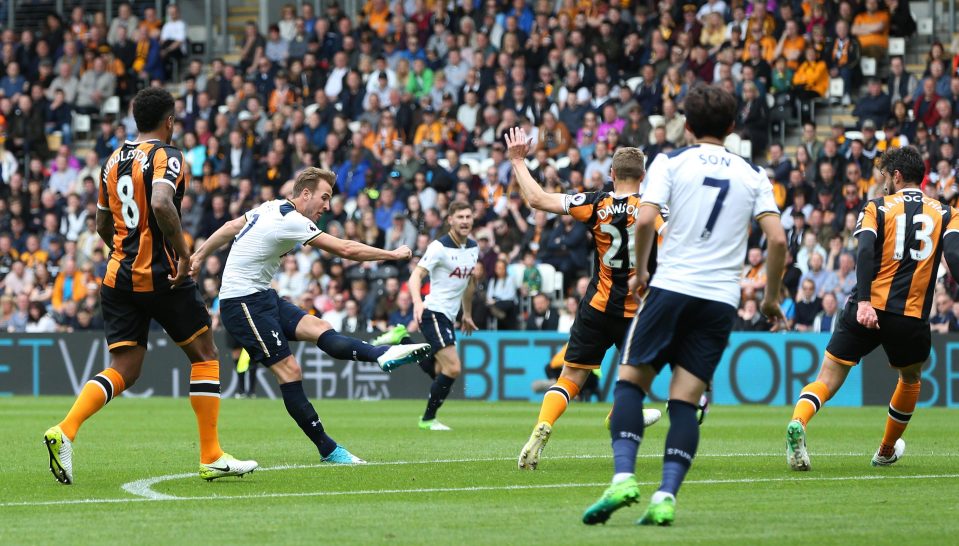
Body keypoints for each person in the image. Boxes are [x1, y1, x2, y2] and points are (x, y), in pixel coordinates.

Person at [582, 84, 787, 526]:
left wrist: (639, 273)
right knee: (685, 401)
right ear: (732, 128)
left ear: (687, 126)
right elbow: (777, 239)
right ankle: (666, 495)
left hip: (671, 287)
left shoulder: (670, 162)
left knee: (630, 384)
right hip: (719, 301)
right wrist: (770, 299)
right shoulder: (754, 174)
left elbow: (644, 217)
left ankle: (623, 477)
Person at [43, 88, 257, 485]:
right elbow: (161, 203)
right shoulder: (167, 155)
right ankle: (210, 454)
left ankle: (65, 430)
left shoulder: (112, 159)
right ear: (170, 121)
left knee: (125, 367)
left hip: (117, 276)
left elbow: (102, 225)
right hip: (162, 276)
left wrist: (124, 253)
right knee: (206, 354)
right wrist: (183, 254)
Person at [191, 167, 431, 464]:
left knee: (320, 326)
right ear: (305, 194)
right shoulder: (290, 220)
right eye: (324, 197)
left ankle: (381, 355)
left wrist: (200, 255)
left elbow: (230, 226)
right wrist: (391, 255)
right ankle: (328, 449)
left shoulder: (269, 207)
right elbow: (345, 248)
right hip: (241, 303)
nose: (327, 206)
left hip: (262, 296)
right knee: (290, 371)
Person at [785, 146, 959, 471]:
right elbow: (956, 259)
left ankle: (799, 422)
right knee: (910, 379)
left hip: (867, 308)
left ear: (895, 175)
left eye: (884, 177)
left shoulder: (877, 207)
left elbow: (864, 253)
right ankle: (886, 449)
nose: (883, 185)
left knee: (828, 377)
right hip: (911, 316)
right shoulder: (947, 213)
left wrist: (864, 300)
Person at [505, 128, 663, 470]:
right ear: (643, 176)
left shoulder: (594, 202)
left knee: (570, 379)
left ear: (611, 174)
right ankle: (619, 414)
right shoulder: (654, 211)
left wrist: (518, 160)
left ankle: (542, 426)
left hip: (596, 306)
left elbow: (537, 200)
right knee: (637, 377)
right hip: (637, 311)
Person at [405, 201, 479, 431]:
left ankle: (404, 343)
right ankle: (427, 419)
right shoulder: (439, 247)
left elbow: (469, 285)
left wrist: (467, 314)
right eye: (460, 217)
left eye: (468, 216)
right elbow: (415, 276)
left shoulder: (473, 248)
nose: (465, 221)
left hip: (449, 316)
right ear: (450, 220)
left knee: (440, 370)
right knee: (453, 368)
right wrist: (417, 303)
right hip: (433, 312)